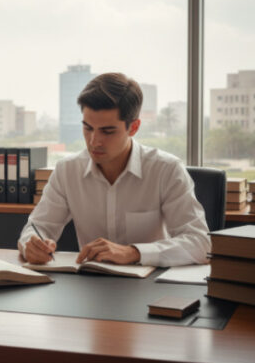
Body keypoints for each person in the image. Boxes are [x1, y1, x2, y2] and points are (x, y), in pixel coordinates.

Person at [19, 73, 210, 268]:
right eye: (88, 128)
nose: (94, 141)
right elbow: (37, 227)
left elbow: (201, 243)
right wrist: (32, 245)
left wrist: (134, 252)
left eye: (107, 131)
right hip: (90, 286)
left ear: (133, 127)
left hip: (150, 288)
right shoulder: (67, 170)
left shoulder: (166, 170)